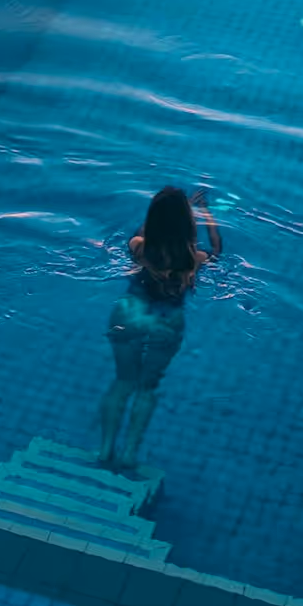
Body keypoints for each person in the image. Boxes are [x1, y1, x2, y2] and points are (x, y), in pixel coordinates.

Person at [97, 185, 223, 473]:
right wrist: (205, 212)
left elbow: (139, 234)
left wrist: (157, 219)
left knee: (123, 383)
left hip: (130, 313)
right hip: (167, 321)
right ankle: (128, 453)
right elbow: (217, 250)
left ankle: (105, 449)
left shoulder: (139, 248)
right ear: (187, 225)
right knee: (146, 387)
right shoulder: (194, 259)